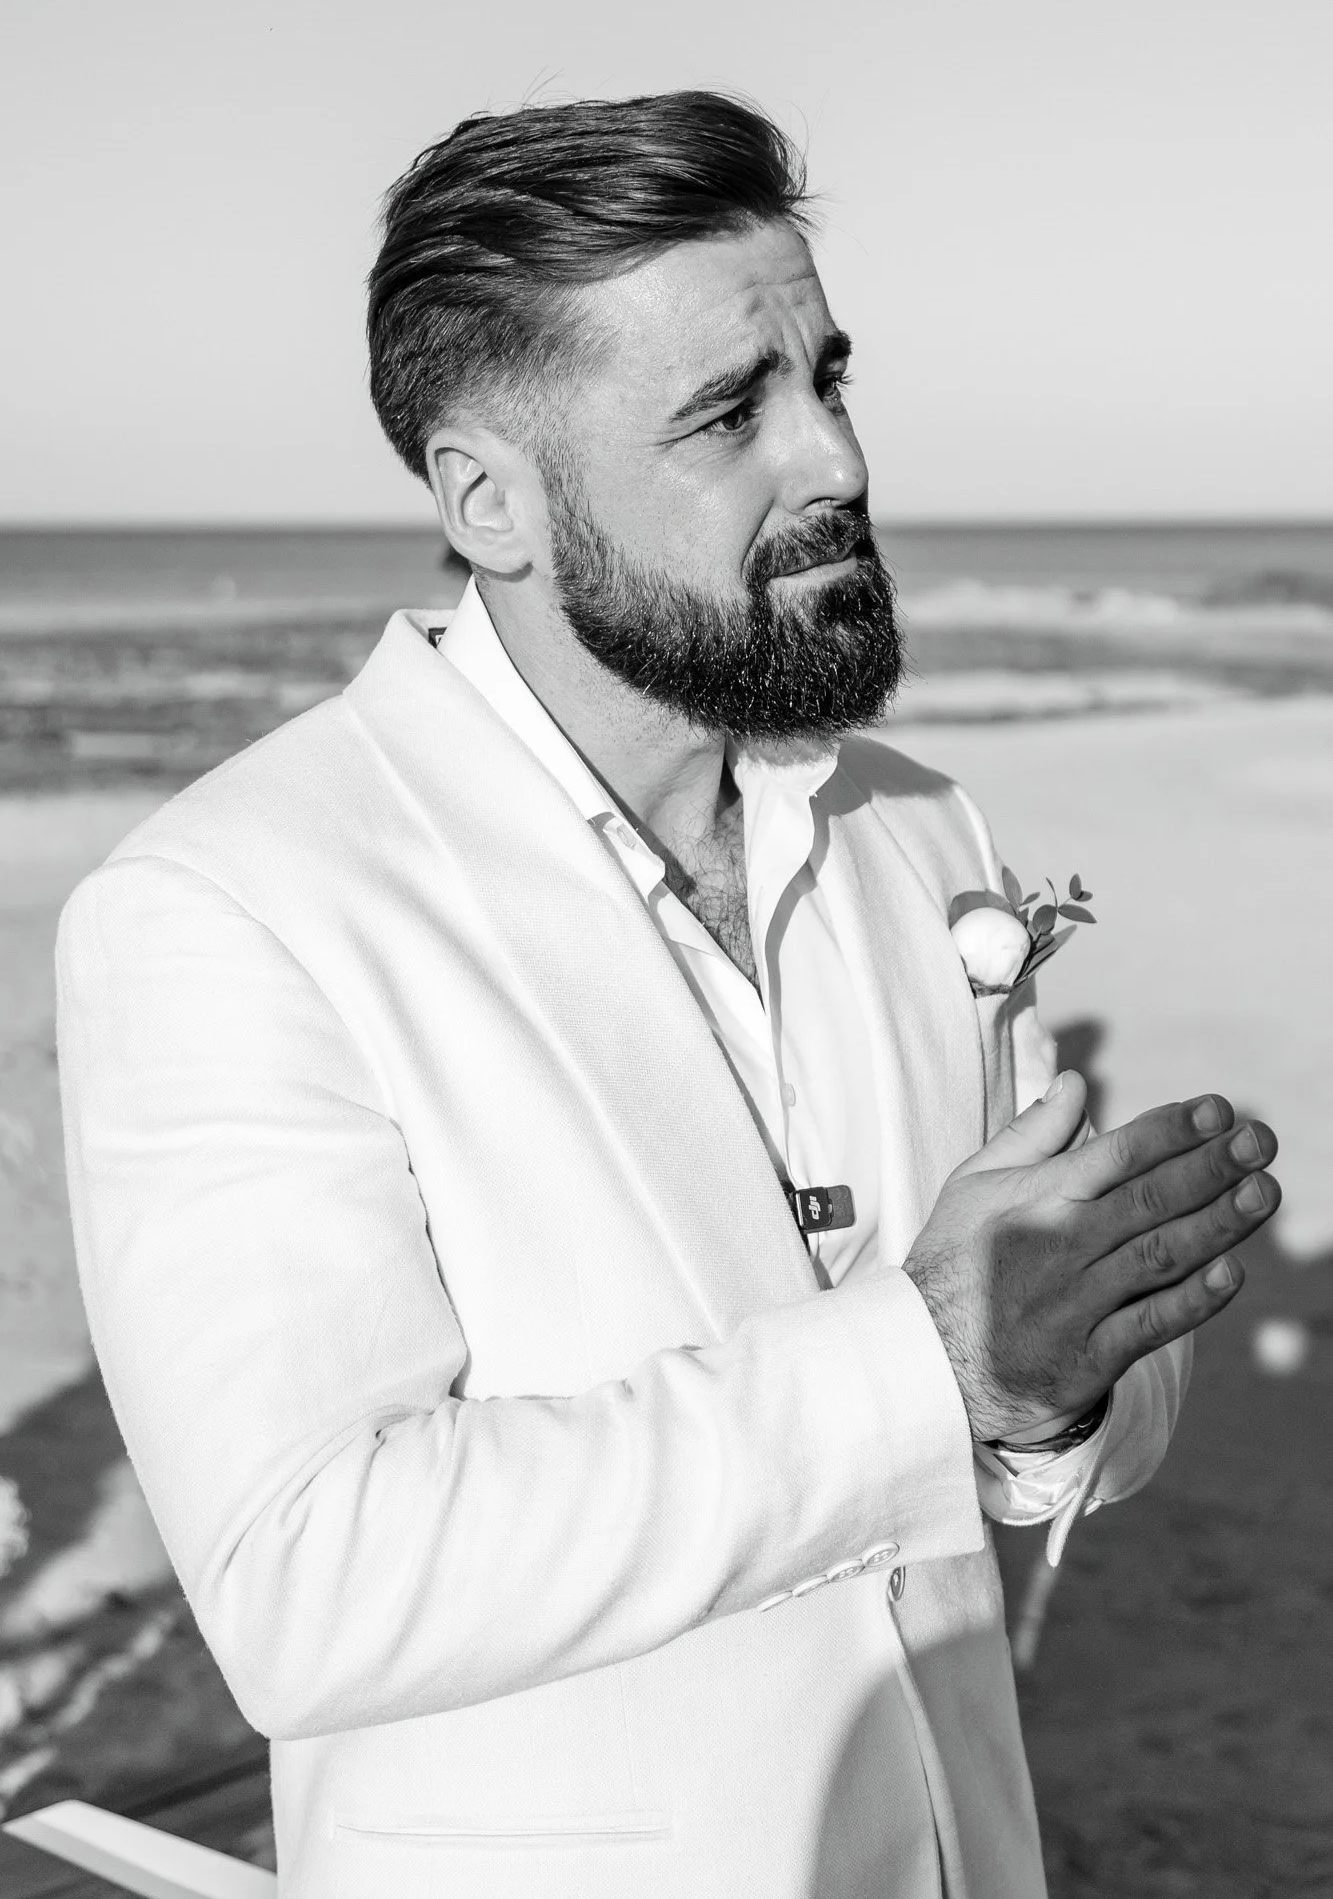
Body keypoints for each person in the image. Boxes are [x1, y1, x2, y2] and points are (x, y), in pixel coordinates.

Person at [55, 93, 1280, 1899]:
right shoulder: (230, 904)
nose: (836, 460)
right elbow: (311, 1581)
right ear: (491, 502)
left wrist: (1066, 1383)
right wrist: (929, 1365)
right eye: (729, 413)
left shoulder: (922, 828)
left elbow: (1057, 1426)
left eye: (827, 376)